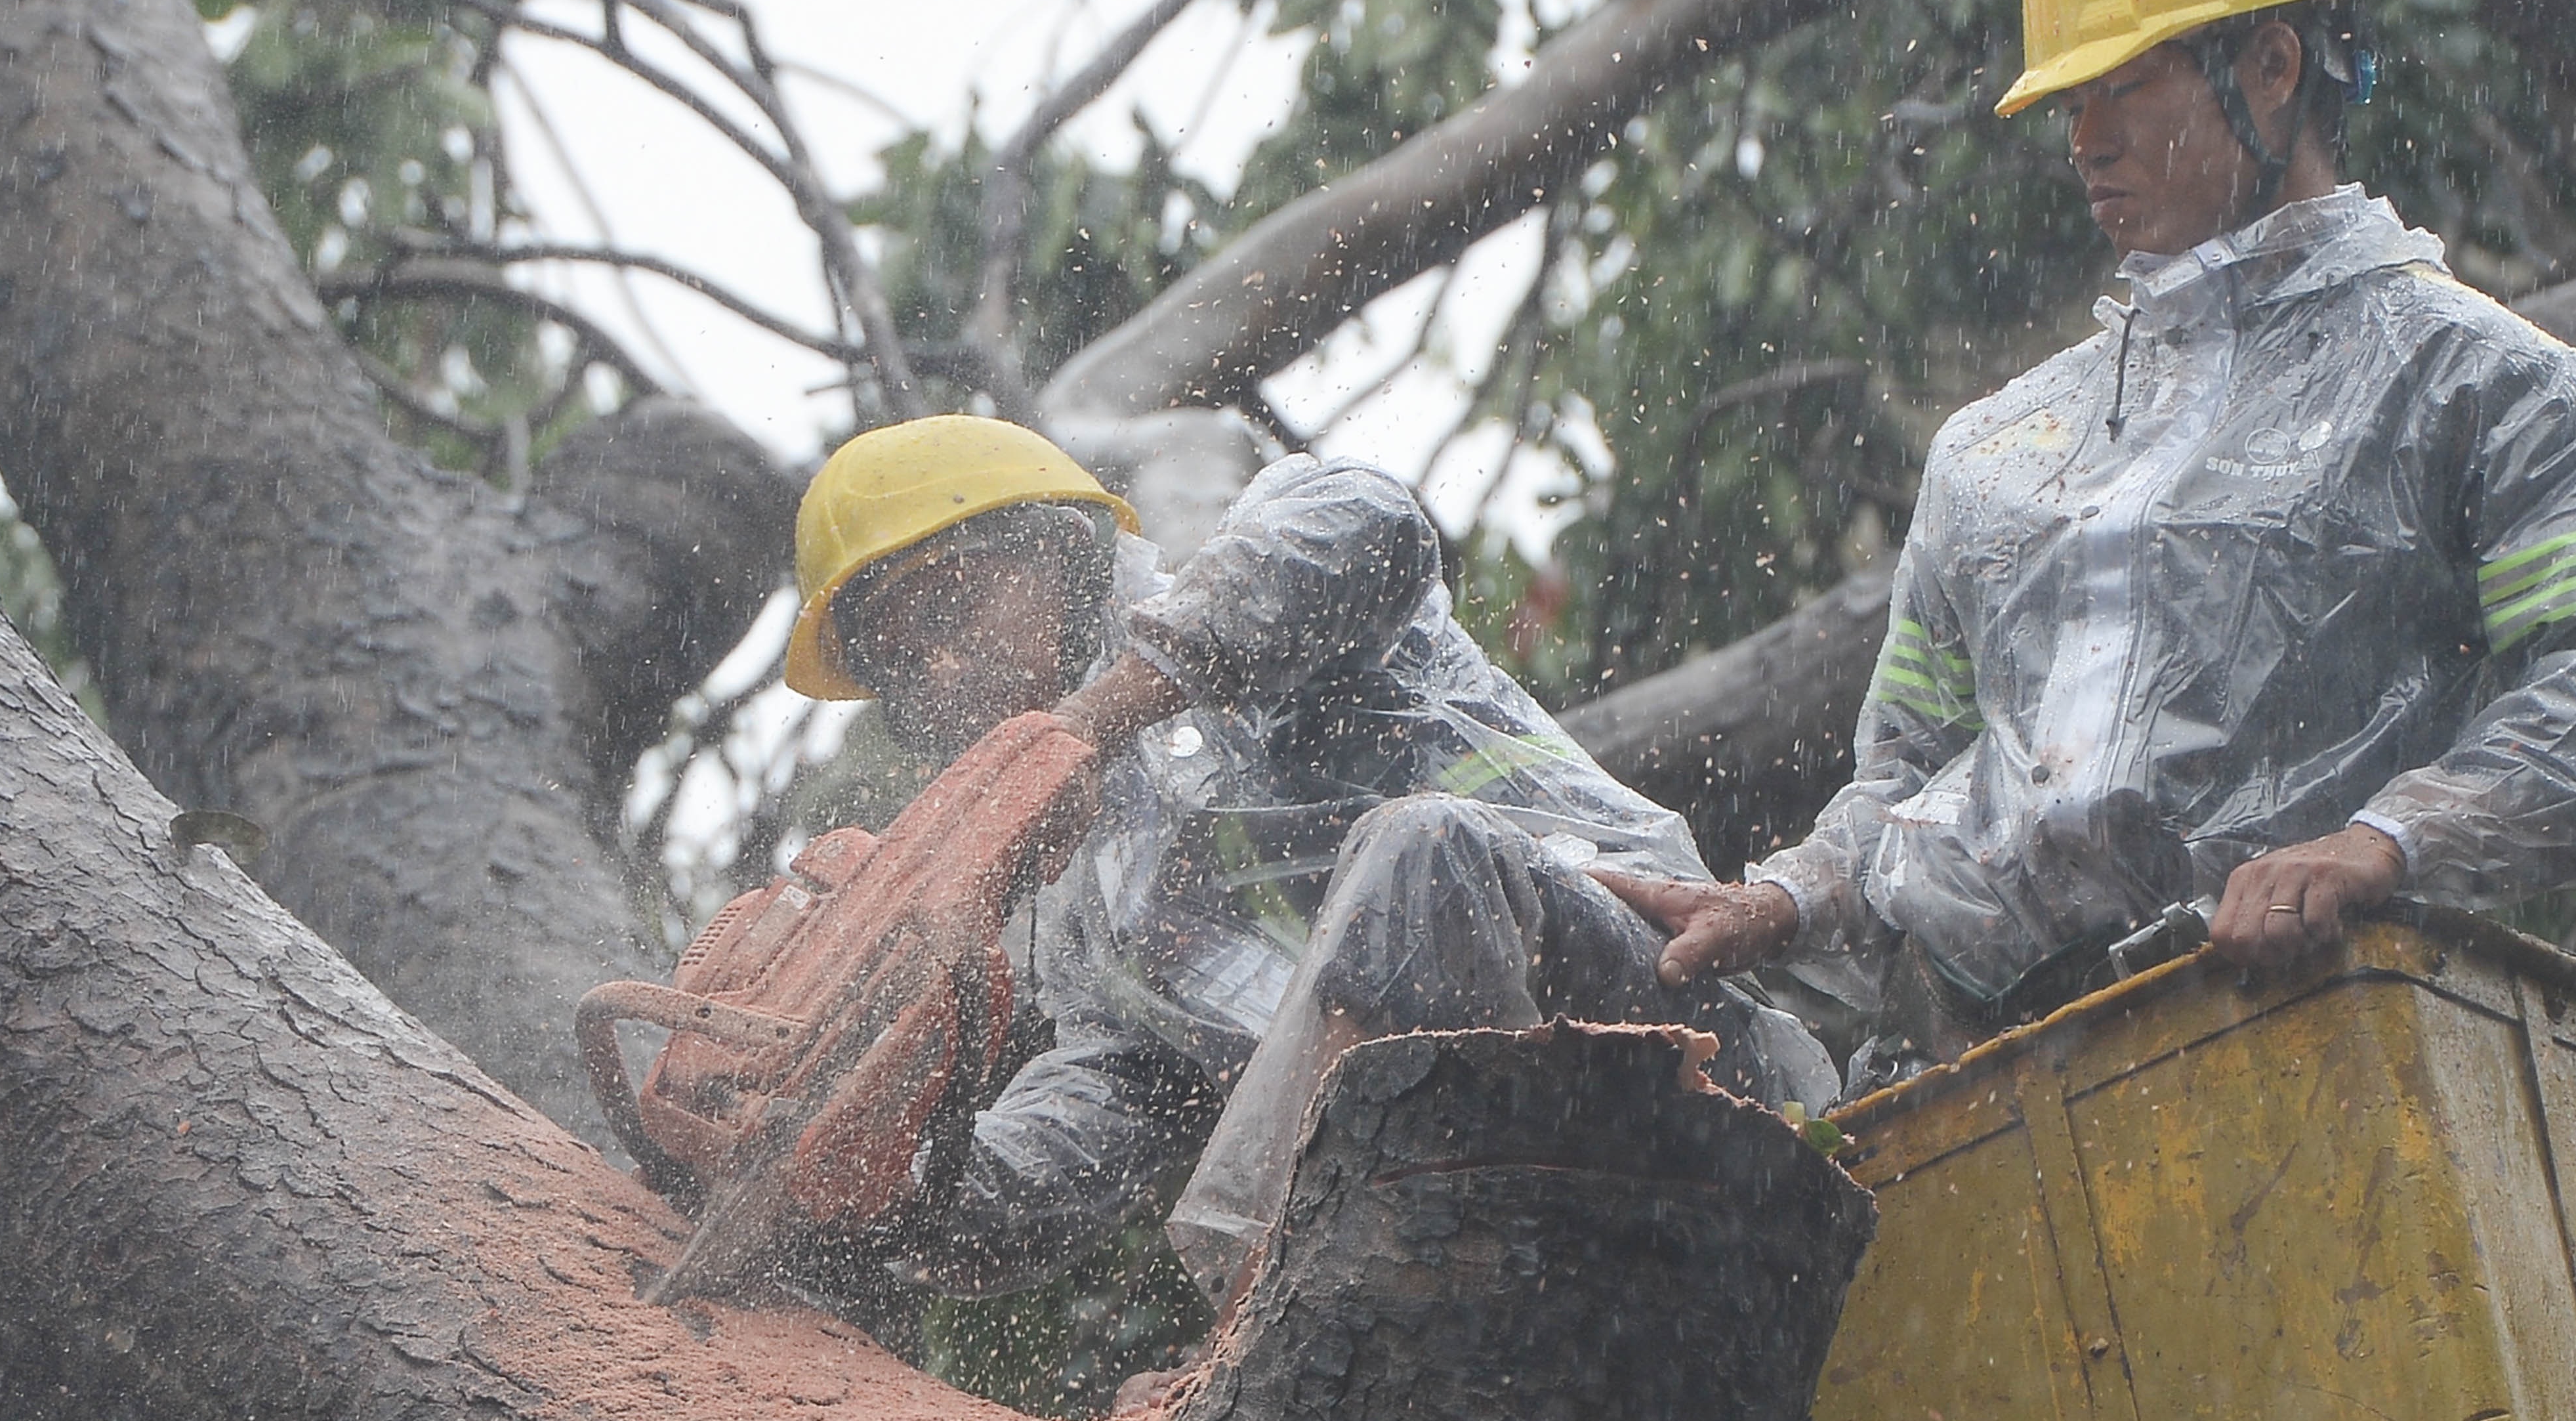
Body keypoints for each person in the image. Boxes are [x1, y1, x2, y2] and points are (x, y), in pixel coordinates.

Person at [1606, 0, 2576, 1069]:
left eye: (2124, 86)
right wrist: (1788, 898)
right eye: (2070, 102)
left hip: (2311, 1058)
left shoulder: (2492, 390)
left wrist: (2378, 845)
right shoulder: (1994, 454)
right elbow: (1909, 777)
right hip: (1968, 1083)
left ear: (2272, 66)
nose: (2085, 140)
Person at [779, 415, 1839, 1307]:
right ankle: (1330, 1294)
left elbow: (1369, 522)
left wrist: (1086, 725)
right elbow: (1108, 1107)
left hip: (1671, 1050)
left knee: (1423, 850)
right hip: (1485, 1213)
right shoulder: (1092, 909)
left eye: (957, 604)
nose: (946, 665)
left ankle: (1278, 1305)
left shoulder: (1256, 581)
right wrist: (900, 1177)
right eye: (904, 660)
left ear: (1060, 550)